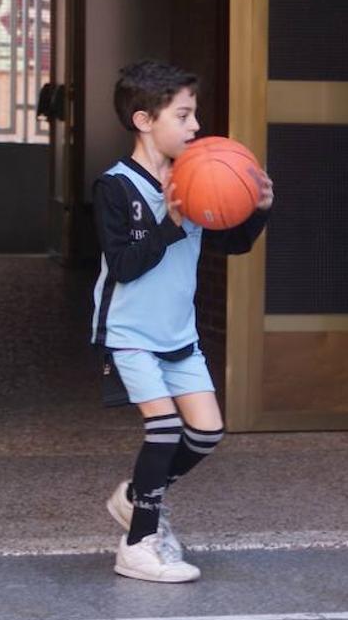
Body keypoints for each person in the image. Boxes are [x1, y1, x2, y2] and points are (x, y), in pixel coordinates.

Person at [90, 60, 273, 582]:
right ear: (144, 120)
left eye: (195, 115)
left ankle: (136, 497)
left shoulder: (197, 179)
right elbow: (124, 265)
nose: (196, 125)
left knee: (207, 432)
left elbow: (232, 244)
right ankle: (138, 544)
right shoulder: (115, 187)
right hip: (129, 332)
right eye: (184, 115)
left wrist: (259, 208)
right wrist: (169, 222)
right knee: (164, 429)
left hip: (178, 334)